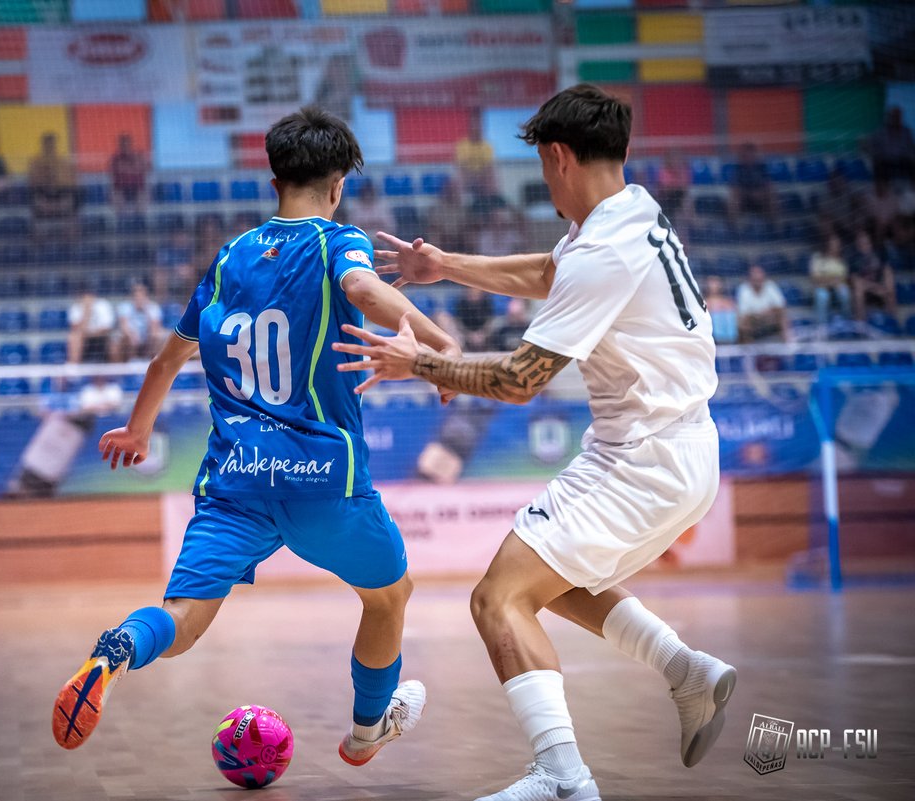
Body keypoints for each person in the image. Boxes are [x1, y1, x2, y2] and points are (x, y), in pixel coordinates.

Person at [332, 84, 736, 801]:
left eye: (544, 171)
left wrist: (417, 362)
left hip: (643, 461)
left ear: (558, 157)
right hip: (670, 447)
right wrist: (445, 265)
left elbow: (521, 380)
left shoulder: (603, 249)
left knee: (497, 600)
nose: (547, 187)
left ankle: (562, 778)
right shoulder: (631, 212)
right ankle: (686, 671)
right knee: (552, 579)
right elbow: (551, 273)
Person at [52, 106, 461, 770]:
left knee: (180, 618)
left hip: (235, 482)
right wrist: (443, 344)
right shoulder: (337, 242)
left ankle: (118, 648)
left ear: (274, 179)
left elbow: (165, 360)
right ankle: (364, 733)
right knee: (389, 595)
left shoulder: (230, 257)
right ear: (336, 186)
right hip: (323, 483)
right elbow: (362, 286)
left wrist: (137, 428)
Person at [28, 132, 79, 232]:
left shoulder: (63, 162)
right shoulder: (35, 162)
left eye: (52, 143)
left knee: (73, 200)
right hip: (42, 194)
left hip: (61, 194)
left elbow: (72, 182)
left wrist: (57, 181)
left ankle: (71, 241)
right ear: (43, 144)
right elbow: (32, 183)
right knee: (36, 202)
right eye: (47, 143)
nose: (50, 146)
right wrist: (46, 180)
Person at [847, 229, 898, 321]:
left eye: (864, 239)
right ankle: (861, 325)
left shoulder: (879, 254)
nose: (862, 242)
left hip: (879, 288)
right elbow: (854, 280)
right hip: (864, 289)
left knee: (890, 284)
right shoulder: (853, 257)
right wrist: (876, 288)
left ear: (869, 240)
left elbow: (887, 270)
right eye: (860, 240)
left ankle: (893, 322)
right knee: (858, 290)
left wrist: (887, 288)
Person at [736, 263, 789, 343]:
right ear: (750, 279)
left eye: (759, 278)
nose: (757, 280)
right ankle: (748, 349)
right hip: (753, 320)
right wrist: (758, 315)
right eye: (755, 279)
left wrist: (765, 313)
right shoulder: (744, 289)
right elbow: (744, 314)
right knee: (742, 323)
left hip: (769, 318)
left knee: (782, 317)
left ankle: (788, 344)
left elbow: (780, 307)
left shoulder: (770, 286)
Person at [114, 281, 167, 362]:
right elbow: (124, 326)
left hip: (148, 337)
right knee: (121, 338)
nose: (138, 297)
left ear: (146, 295)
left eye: (141, 294)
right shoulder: (125, 306)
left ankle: (151, 362)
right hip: (131, 337)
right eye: (136, 294)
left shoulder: (153, 307)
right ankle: (131, 362)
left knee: (157, 336)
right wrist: (131, 335)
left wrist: (145, 310)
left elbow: (155, 327)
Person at [809, 235, 851, 330]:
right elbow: (815, 278)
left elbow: (843, 279)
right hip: (821, 287)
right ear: (827, 245)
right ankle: (821, 327)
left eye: (837, 244)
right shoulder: (818, 257)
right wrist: (831, 281)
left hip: (837, 288)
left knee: (845, 293)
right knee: (822, 296)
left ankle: (846, 324)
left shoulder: (842, 260)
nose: (835, 246)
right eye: (833, 244)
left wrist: (829, 280)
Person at [866, 107, 915, 188]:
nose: (896, 119)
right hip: (885, 159)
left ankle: (913, 189)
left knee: (912, 164)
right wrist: (878, 155)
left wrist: (909, 155)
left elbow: (911, 148)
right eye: (894, 116)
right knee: (879, 164)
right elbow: (873, 147)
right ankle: (882, 190)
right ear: (890, 117)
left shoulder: (906, 132)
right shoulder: (880, 132)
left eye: (898, 117)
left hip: (901, 160)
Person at [729, 141, 774, 225]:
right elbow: (734, 188)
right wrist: (749, 194)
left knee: (772, 197)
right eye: (744, 155)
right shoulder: (737, 168)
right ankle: (733, 229)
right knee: (734, 200)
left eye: (750, 154)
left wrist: (761, 192)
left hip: (760, 198)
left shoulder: (761, 168)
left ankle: (776, 227)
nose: (747, 157)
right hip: (743, 199)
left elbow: (769, 185)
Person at [68, 289, 116, 365]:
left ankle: (116, 371)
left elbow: (107, 328)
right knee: (73, 337)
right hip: (84, 340)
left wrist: (90, 333)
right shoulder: (76, 307)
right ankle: (73, 369)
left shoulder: (103, 305)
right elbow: (75, 329)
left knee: (114, 342)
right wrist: (87, 312)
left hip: (101, 339)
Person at [348, 179, 395, 247]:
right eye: (366, 194)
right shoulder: (355, 207)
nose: (368, 196)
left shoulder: (382, 205)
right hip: (362, 243)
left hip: (381, 243)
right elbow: (352, 230)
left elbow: (392, 227)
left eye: (370, 193)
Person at [109, 133, 149, 208]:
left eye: (127, 144)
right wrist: (133, 169)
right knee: (117, 202)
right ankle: (119, 219)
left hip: (138, 188)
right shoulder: (116, 158)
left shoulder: (138, 156)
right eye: (123, 145)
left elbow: (145, 168)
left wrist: (126, 168)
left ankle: (141, 218)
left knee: (142, 204)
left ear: (130, 144)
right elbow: (113, 170)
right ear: (120, 145)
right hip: (120, 188)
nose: (125, 147)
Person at [702, 276, 739, 345]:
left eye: (716, 282)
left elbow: (734, 314)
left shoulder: (729, 302)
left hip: (730, 338)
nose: (714, 285)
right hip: (711, 339)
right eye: (711, 282)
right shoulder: (703, 302)